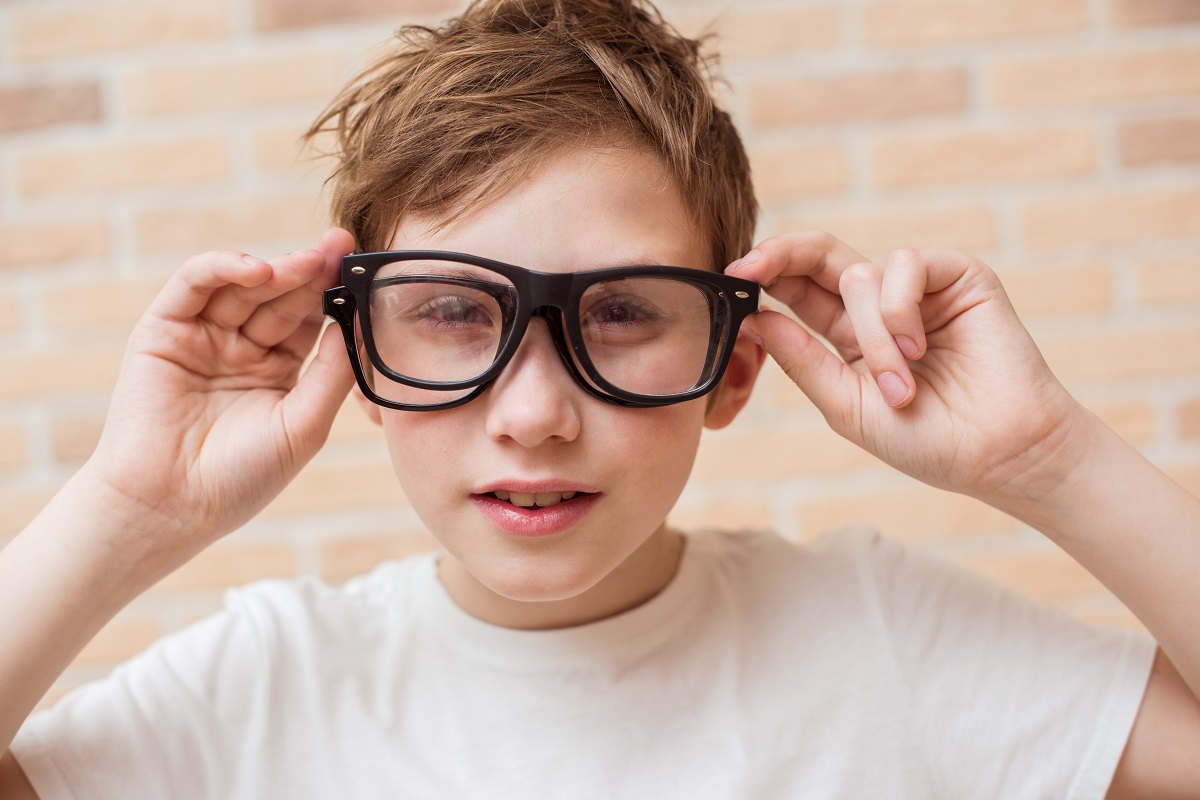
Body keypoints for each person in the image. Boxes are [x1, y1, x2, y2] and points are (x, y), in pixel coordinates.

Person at [1, 0, 1199, 796]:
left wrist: (1047, 457)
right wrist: (128, 509)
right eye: (454, 313)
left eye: (620, 312)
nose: (532, 412)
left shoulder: (882, 636)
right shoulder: (258, 690)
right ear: (359, 356)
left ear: (732, 366)